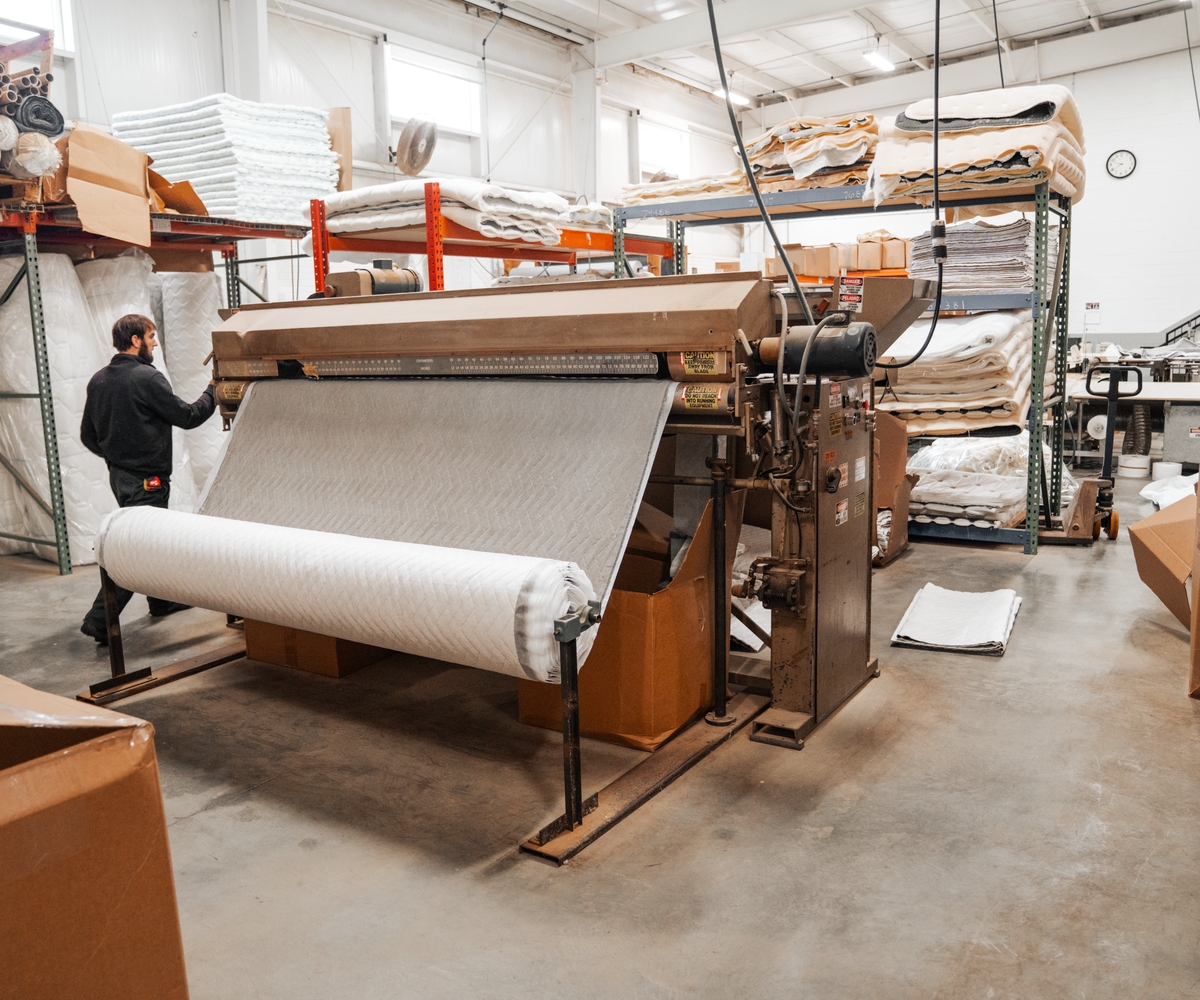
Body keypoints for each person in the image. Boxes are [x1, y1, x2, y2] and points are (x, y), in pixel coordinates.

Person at [79, 313, 217, 644]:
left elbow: (88, 435)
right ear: (136, 340)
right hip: (147, 480)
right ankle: (100, 619)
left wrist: (118, 460)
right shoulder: (147, 378)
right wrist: (212, 391)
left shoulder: (99, 380)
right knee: (137, 547)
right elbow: (188, 416)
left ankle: (160, 601)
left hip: (120, 477)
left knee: (150, 539)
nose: (155, 343)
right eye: (151, 336)